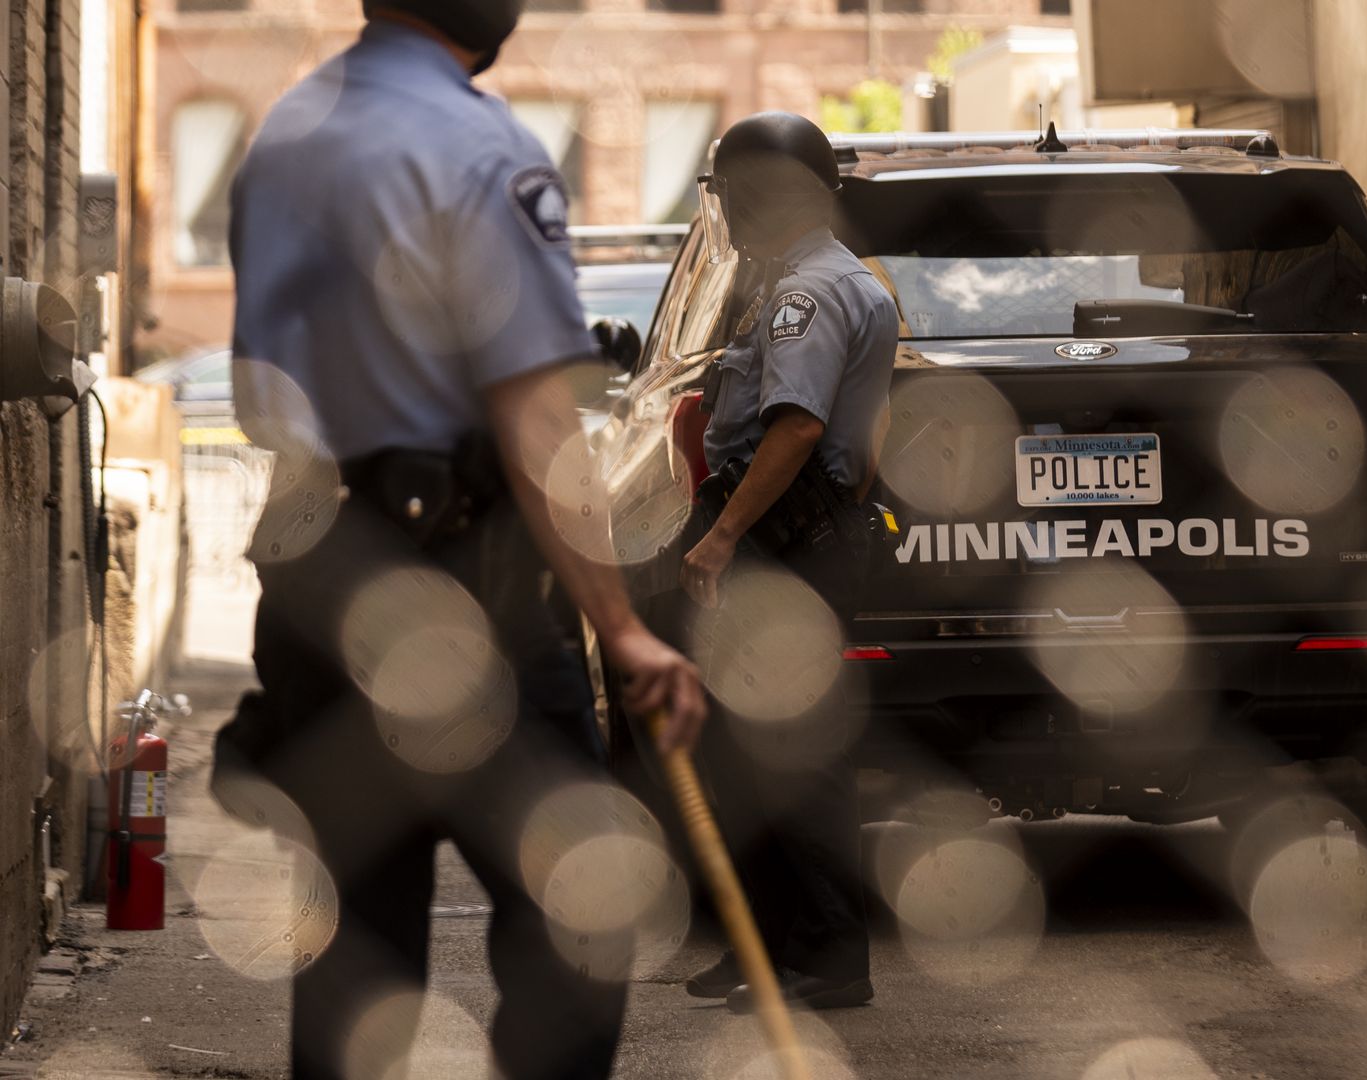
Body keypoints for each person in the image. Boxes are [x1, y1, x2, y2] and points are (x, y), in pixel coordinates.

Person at [222, 2, 706, 1076]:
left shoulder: (286, 135)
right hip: (469, 594)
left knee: (354, 949)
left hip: (317, 582)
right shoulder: (482, 147)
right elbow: (537, 426)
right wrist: (622, 629)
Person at [676, 112, 898, 1013]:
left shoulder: (811, 293)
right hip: (798, 538)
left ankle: (830, 958)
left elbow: (798, 425)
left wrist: (724, 537)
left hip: (779, 547)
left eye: (729, 192)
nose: (724, 209)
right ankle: (767, 947)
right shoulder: (839, 283)